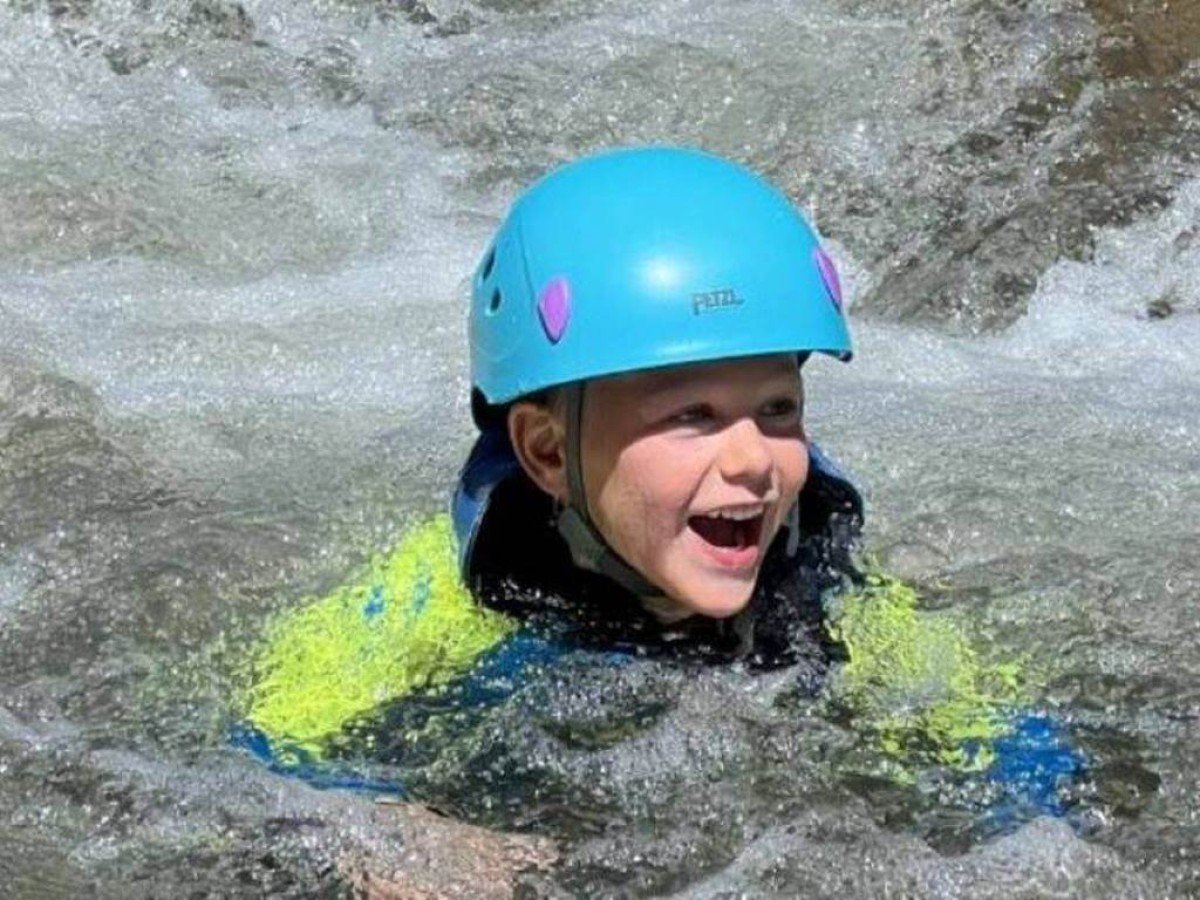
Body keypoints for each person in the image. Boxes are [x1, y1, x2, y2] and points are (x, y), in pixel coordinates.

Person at [235, 147, 1082, 828]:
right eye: (693, 417)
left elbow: (992, 726)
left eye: (778, 408)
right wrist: (397, 832)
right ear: (547, 453)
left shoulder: (817, 568)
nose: (753, 460)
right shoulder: (460, 595)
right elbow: (264, 748)